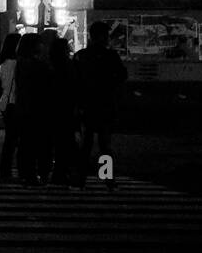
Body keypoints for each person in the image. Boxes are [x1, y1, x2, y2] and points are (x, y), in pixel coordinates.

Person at [74, 21, 128, 188]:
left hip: (86, 105)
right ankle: (107, 178)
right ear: (104, 37)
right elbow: (122, 76)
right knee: (105, 145)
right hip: (105, 105)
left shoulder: (81, 56)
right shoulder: (111, 56)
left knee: (85, 145)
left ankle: (80, 178)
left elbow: (74, 81)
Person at [14, 33, 51, 186]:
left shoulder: (21, 63)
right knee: (38, 142)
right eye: (40, 43)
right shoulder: (36, 65)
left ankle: (26, 173)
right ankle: (107, 175)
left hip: (24, 107)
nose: (43, 46)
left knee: (26, 142)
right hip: (37, 108)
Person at [46, 37, 80, 185]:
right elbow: (74, 87)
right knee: (65, 142)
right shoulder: (69, 65)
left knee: (52, 142)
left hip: (51, 108)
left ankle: (49, 172)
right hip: (66, 109)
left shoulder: (48, 65)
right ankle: (63, 172)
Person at [0, 32, 22, 182]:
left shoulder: (3, 63)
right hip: (14, 103)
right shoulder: (15, 64)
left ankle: (5, 172)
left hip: (6, 104)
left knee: (10, 140)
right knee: (14, 140)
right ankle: (8, 173)